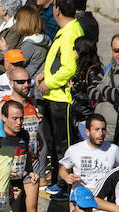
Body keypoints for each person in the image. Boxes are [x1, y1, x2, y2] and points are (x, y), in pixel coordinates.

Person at [37, 0, 83, 180]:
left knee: (64, 146)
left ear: (56, 9)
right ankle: (58, 180)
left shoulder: (70, 31)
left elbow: (69, 68)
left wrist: (49, 82)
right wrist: (44, 74)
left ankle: (66, 184)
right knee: (54, 143)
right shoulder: (66, 30)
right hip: (54, 96)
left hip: (62, 98)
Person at [58, 114, 119, 212]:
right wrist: (66, 177)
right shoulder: (75, 150)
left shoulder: (113, 149)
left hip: (103, 207)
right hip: (80, 206)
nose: (101, 133)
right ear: (87, 132)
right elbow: (62, 169)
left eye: (103, 129)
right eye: (96, 129)